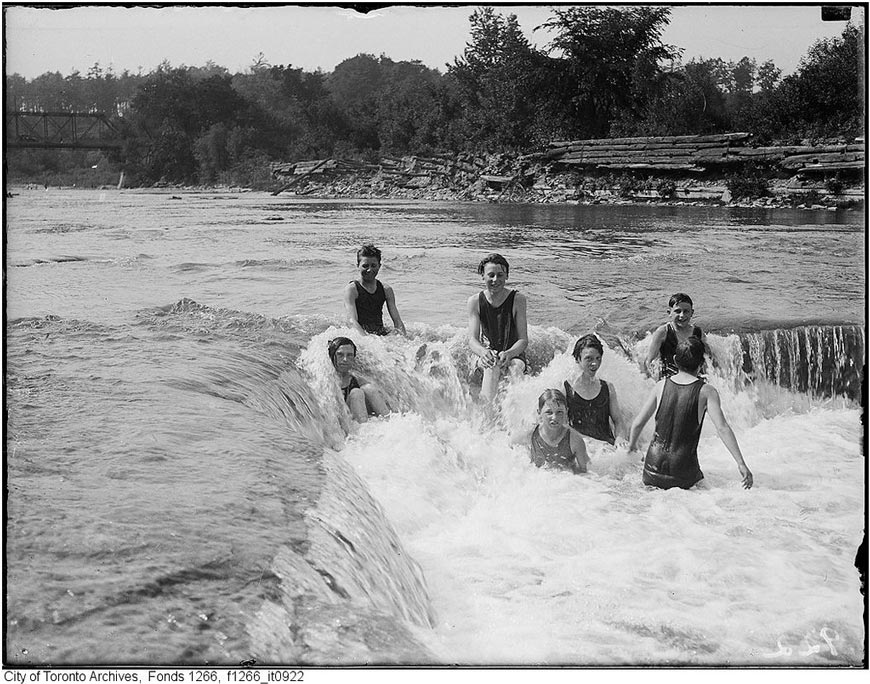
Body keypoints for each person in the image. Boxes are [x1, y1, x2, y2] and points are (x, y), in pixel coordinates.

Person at [628, 337, 753, 490]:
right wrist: (741, 463)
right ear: (701, 364)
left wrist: (632, 447)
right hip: (682, 473)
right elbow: (722, 428)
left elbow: (638, 423)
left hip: (651, 471)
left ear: (675, 360)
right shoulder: (707, 392)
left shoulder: (660, 386)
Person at [467, 253, 528, 401]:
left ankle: (517, 414)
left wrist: (509, 353)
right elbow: (472, 340)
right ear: (483, 276)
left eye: (500, 275)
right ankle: (487, 417)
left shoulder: (518, 299)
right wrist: (484, 352)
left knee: (515, 368)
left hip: (513, 354)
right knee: (491, 366)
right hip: (486, 354)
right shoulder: (474, 301)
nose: (496, 280)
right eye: (491, 275)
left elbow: (523, 340)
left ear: (506, 276)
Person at [564, 334, 624, 446]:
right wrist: (595, 443)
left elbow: (618, 421)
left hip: (608, 448)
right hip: (581, 449)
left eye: (598, 358)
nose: (595, 363)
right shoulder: (566, 389)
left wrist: (620, 439)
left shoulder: (608, 387)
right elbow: (563, 427)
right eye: (589, 359)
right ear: (578, 359)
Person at [344, 244, 406, 336]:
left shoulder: (386, 290)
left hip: (380, 333)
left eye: (373, 265)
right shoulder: (352, 289)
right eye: (365, 266)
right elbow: (352, 321)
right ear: (358, 266)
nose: (369, 270)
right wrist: (368, 341)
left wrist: (402, 339)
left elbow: (397, 321)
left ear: (379, 266)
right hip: (359, 333)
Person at [645, 293, 707, 379]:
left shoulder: (698, 333)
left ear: (692, 313)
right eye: (678, 311)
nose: (682, 315)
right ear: (669, 312)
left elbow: (708, 359)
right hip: (670, 379)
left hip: (694, 379)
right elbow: (649, 361)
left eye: (686, 311)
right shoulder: (663, 332)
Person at [328, 336, 389, 423]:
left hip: (359, 417)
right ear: (332, 355)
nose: (345, 359)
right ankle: (362, 432)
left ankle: (389, 423)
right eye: (340, 355)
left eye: (349, 355)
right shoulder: (326, 380)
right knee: (356, 393)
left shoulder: (357, 379)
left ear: (353, 358)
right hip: (343, 423)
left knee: (369, 389)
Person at [529, 389, 589, 474]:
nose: (554, 417)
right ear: (539, 412)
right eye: (549, 412)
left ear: (566, 412)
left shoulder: (575, 441)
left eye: (559, 412)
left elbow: (585, 473)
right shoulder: (530, 434)